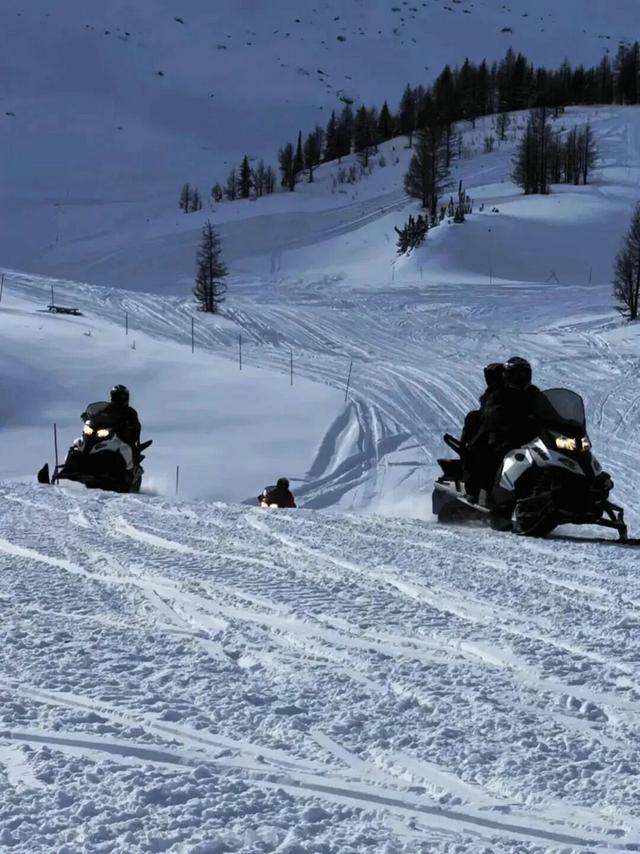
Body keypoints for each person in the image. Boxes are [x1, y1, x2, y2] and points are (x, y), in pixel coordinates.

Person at [464, 357, 541, 502]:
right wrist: (508, 419)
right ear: (508, 375)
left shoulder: (533, 393)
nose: (521, 378)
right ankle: (484, 494)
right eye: (517, 374)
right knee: (490, 455)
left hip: (532, 437)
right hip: (505, 437)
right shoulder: (499, 394)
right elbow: (492, 413)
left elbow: (547, 407)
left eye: (524, 374)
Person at [109, 384, 141, 451]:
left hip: (124, 440)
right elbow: (98, 415)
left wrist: (129, 427)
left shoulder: (130, 412)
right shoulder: (107, 409)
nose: (118, 399)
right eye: (115, 397)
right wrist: (89, 417)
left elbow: (136, 426)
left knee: (128, 450)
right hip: (107, 437)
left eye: (120, 397)